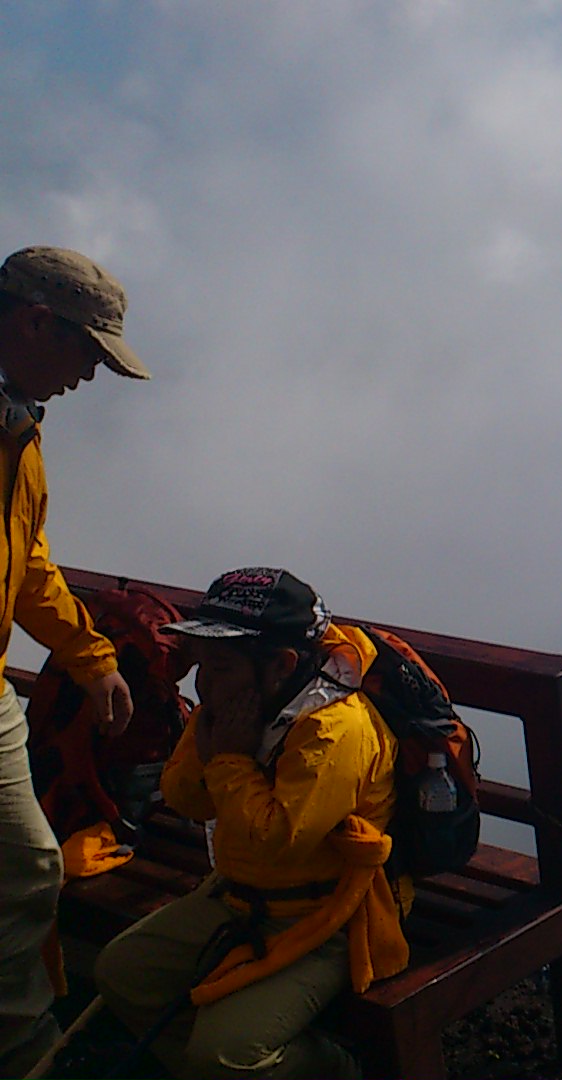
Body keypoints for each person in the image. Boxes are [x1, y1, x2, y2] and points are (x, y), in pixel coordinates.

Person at [93, 568, 410, 1079]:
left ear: (282, 664)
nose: (202, 683)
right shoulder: (237, 703)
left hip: (324, 916)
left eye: (219, 666)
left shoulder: (333, 730)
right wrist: (213, 737)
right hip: (242, 894)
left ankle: (340, 1072)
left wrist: (229, 763)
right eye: (201, 665)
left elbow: (276, 842)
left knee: (226, 1055)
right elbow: (184, 798)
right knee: (124, 974)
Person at [0, 246, 148, 1078]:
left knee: (24, 869)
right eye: (87, 353)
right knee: (22, 871)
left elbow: (24, 560)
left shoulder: (15, 418)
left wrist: (90, 656)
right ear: (33, 321)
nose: (91, 377)